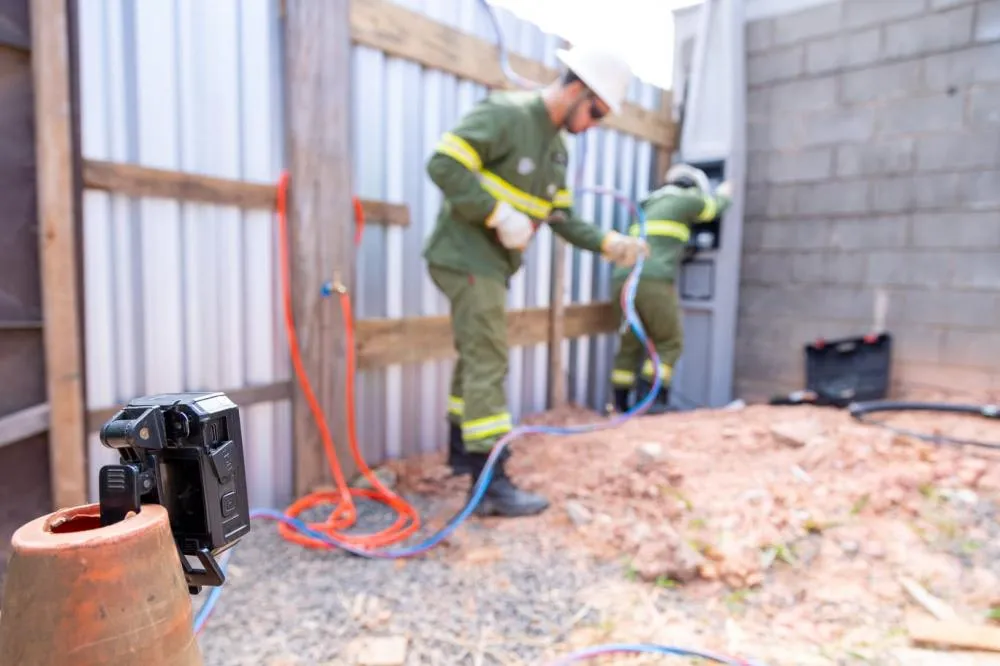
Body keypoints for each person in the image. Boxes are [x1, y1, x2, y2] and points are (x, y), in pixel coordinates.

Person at [423, 45, 650, 518]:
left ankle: (464, 457)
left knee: (476, 359)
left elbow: (561, 219)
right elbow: (443, 163)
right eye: (596, 111)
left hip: (490, 265)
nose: (594, 123)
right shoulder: (507, 114)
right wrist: (495, 212)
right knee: (489, 357)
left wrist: (609, 243)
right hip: (465, 256)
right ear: (574, 89)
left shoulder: (557, 152)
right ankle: (490, 485)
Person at [608, 163, 733, 415]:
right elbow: (713, 210)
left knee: (630, 344)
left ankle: (619, 407)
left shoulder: (647, 203)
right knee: (668, 342)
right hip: (653, 280)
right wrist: (725, 194)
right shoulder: (686, 199)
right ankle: (652, 403)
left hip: (622, 279)